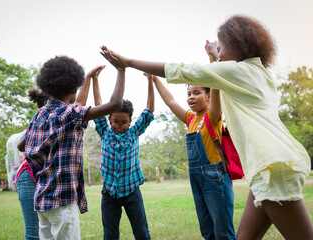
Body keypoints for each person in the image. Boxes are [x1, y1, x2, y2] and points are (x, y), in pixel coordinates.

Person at [100, 15, 313, 240]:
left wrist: (128, 62)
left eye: (221, 47)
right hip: (266, 170)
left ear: (236, 45)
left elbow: (184, 71)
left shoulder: (238, 72)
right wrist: (214, 59)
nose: (219, 53)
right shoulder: (258, 73)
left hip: (273, 169)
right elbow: (214, 79)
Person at [24, 47, 126, 240]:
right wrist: (121, 69)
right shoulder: (70, 114)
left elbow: (22, 144)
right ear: (73, 88)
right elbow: (115, 104)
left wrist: (87, 79)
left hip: (42, 201)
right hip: (62, 200)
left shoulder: (40, 115)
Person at [150, 47, 235, 238]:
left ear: (209, 96)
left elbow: (216, 85)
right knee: (207, 230)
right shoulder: (191, 119)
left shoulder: (212, 116)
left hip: (215, 177)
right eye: (189, 94)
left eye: (197, 93)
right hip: (196, 178)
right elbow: (171, 101)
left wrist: (213, 61)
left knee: (223, 231)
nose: (191, 97)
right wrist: (154, 78)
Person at [92, 71, 154, 240]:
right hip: (109, 193)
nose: (119, 126)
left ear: (130, 121)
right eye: (115, 122)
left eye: (123, 122)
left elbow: (149, 110)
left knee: (141, 231)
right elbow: (97, 106)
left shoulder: (134, 133)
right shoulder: (105, 131)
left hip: (132, 191)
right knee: (110, 234)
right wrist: (94, 79)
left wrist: (150, 80)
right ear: (109, 120)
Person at [14, 88, 50, 240]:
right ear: (47, 104)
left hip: (44, 177)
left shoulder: (57, 119)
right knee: (33, 232)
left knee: (48, 229)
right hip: (29, 177)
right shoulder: (39, 121)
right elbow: (21, 146)